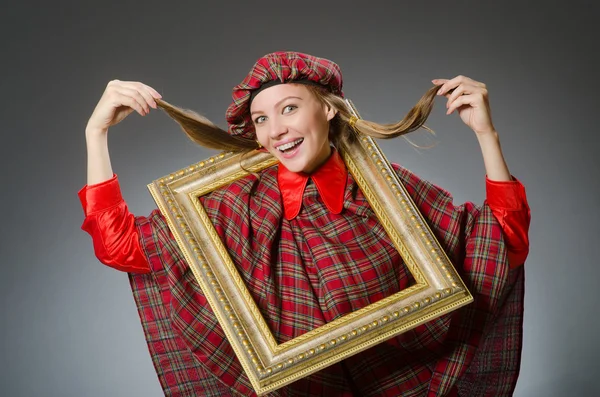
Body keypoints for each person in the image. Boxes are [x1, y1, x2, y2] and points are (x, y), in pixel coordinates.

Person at [79, 51, 530, 396]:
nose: (276, 130)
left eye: (289, 108)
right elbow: (122, 248)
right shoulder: (234, 205)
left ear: (328, 109)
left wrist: (486, 135)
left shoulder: (387, 193)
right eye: (261, 118)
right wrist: (95, 134)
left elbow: (501, 245)